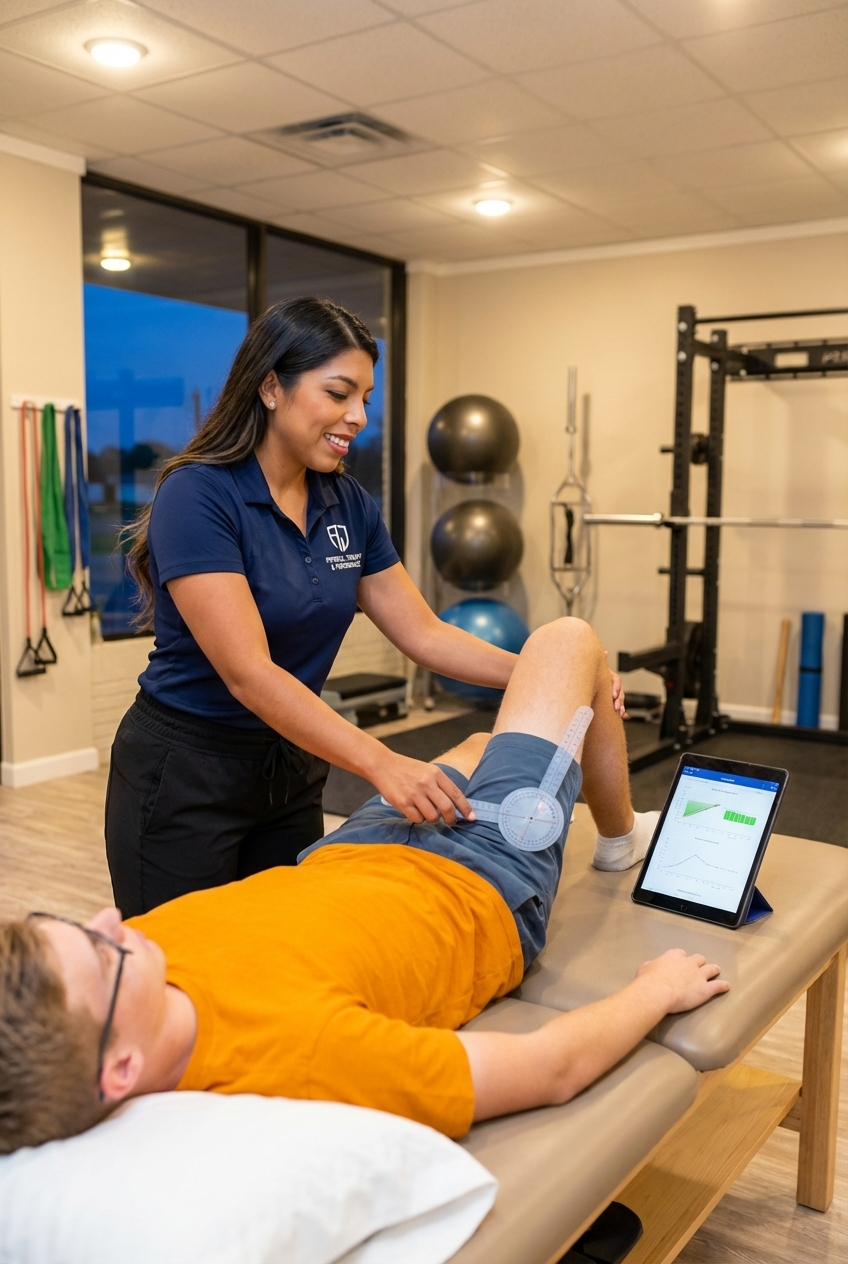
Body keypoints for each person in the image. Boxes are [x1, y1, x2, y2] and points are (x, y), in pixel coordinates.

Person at [0, 617, 726, 1155]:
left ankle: (587, 755)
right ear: (121, 1070)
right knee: (569, 644)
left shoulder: (139, 961)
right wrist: (656, 989)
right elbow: (551, 1068)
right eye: (102, 954)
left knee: (481, 744)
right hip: (481, 878)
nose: (112, 922)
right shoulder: (301, 1053)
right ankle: (619, 841)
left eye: (79, 926)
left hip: (352, 850)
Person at [109, 297, 629, 918]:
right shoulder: (198, 494)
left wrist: (555, 676)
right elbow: (250, 673)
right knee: (182, 960)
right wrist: (382, 763)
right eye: (338, 393)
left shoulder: (346, 501)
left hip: (289, 768)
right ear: (271, 387)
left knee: (287, 947)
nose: (357, 416)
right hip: (187, 775)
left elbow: (425, 633)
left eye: (364, 398)